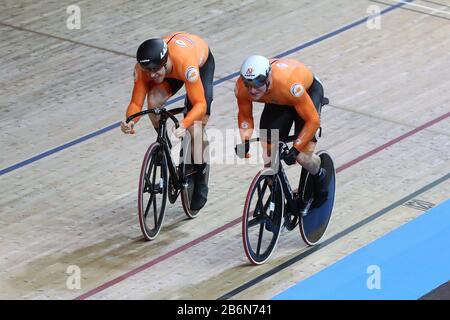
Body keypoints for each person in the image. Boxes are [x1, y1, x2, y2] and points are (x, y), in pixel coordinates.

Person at [121, 32, 215, 211]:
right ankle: (163, 145)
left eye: (156, 69)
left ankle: (201, 175)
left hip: (198, 65)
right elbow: (135, 103)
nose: (153, 75)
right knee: (153, 102)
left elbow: (200, 104)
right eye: (148, 71)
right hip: (172, 71)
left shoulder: (187, 65)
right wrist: (130, 121)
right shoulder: (144, 70)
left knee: (196, 126)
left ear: (165, 61)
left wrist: (184, 124)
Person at [234, 55, 328, 206]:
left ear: (267, 77)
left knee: (303, 157)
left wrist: (296, 149)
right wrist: (245, 140)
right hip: (278, 99)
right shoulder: (242, 88)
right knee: (269, 157)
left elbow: (313, 121)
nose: (252, 89)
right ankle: (279, 204)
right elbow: (245, 116)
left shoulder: (289, 85)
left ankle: (320, 176)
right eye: (248, 83)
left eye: (258, 82)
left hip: (305, 92)